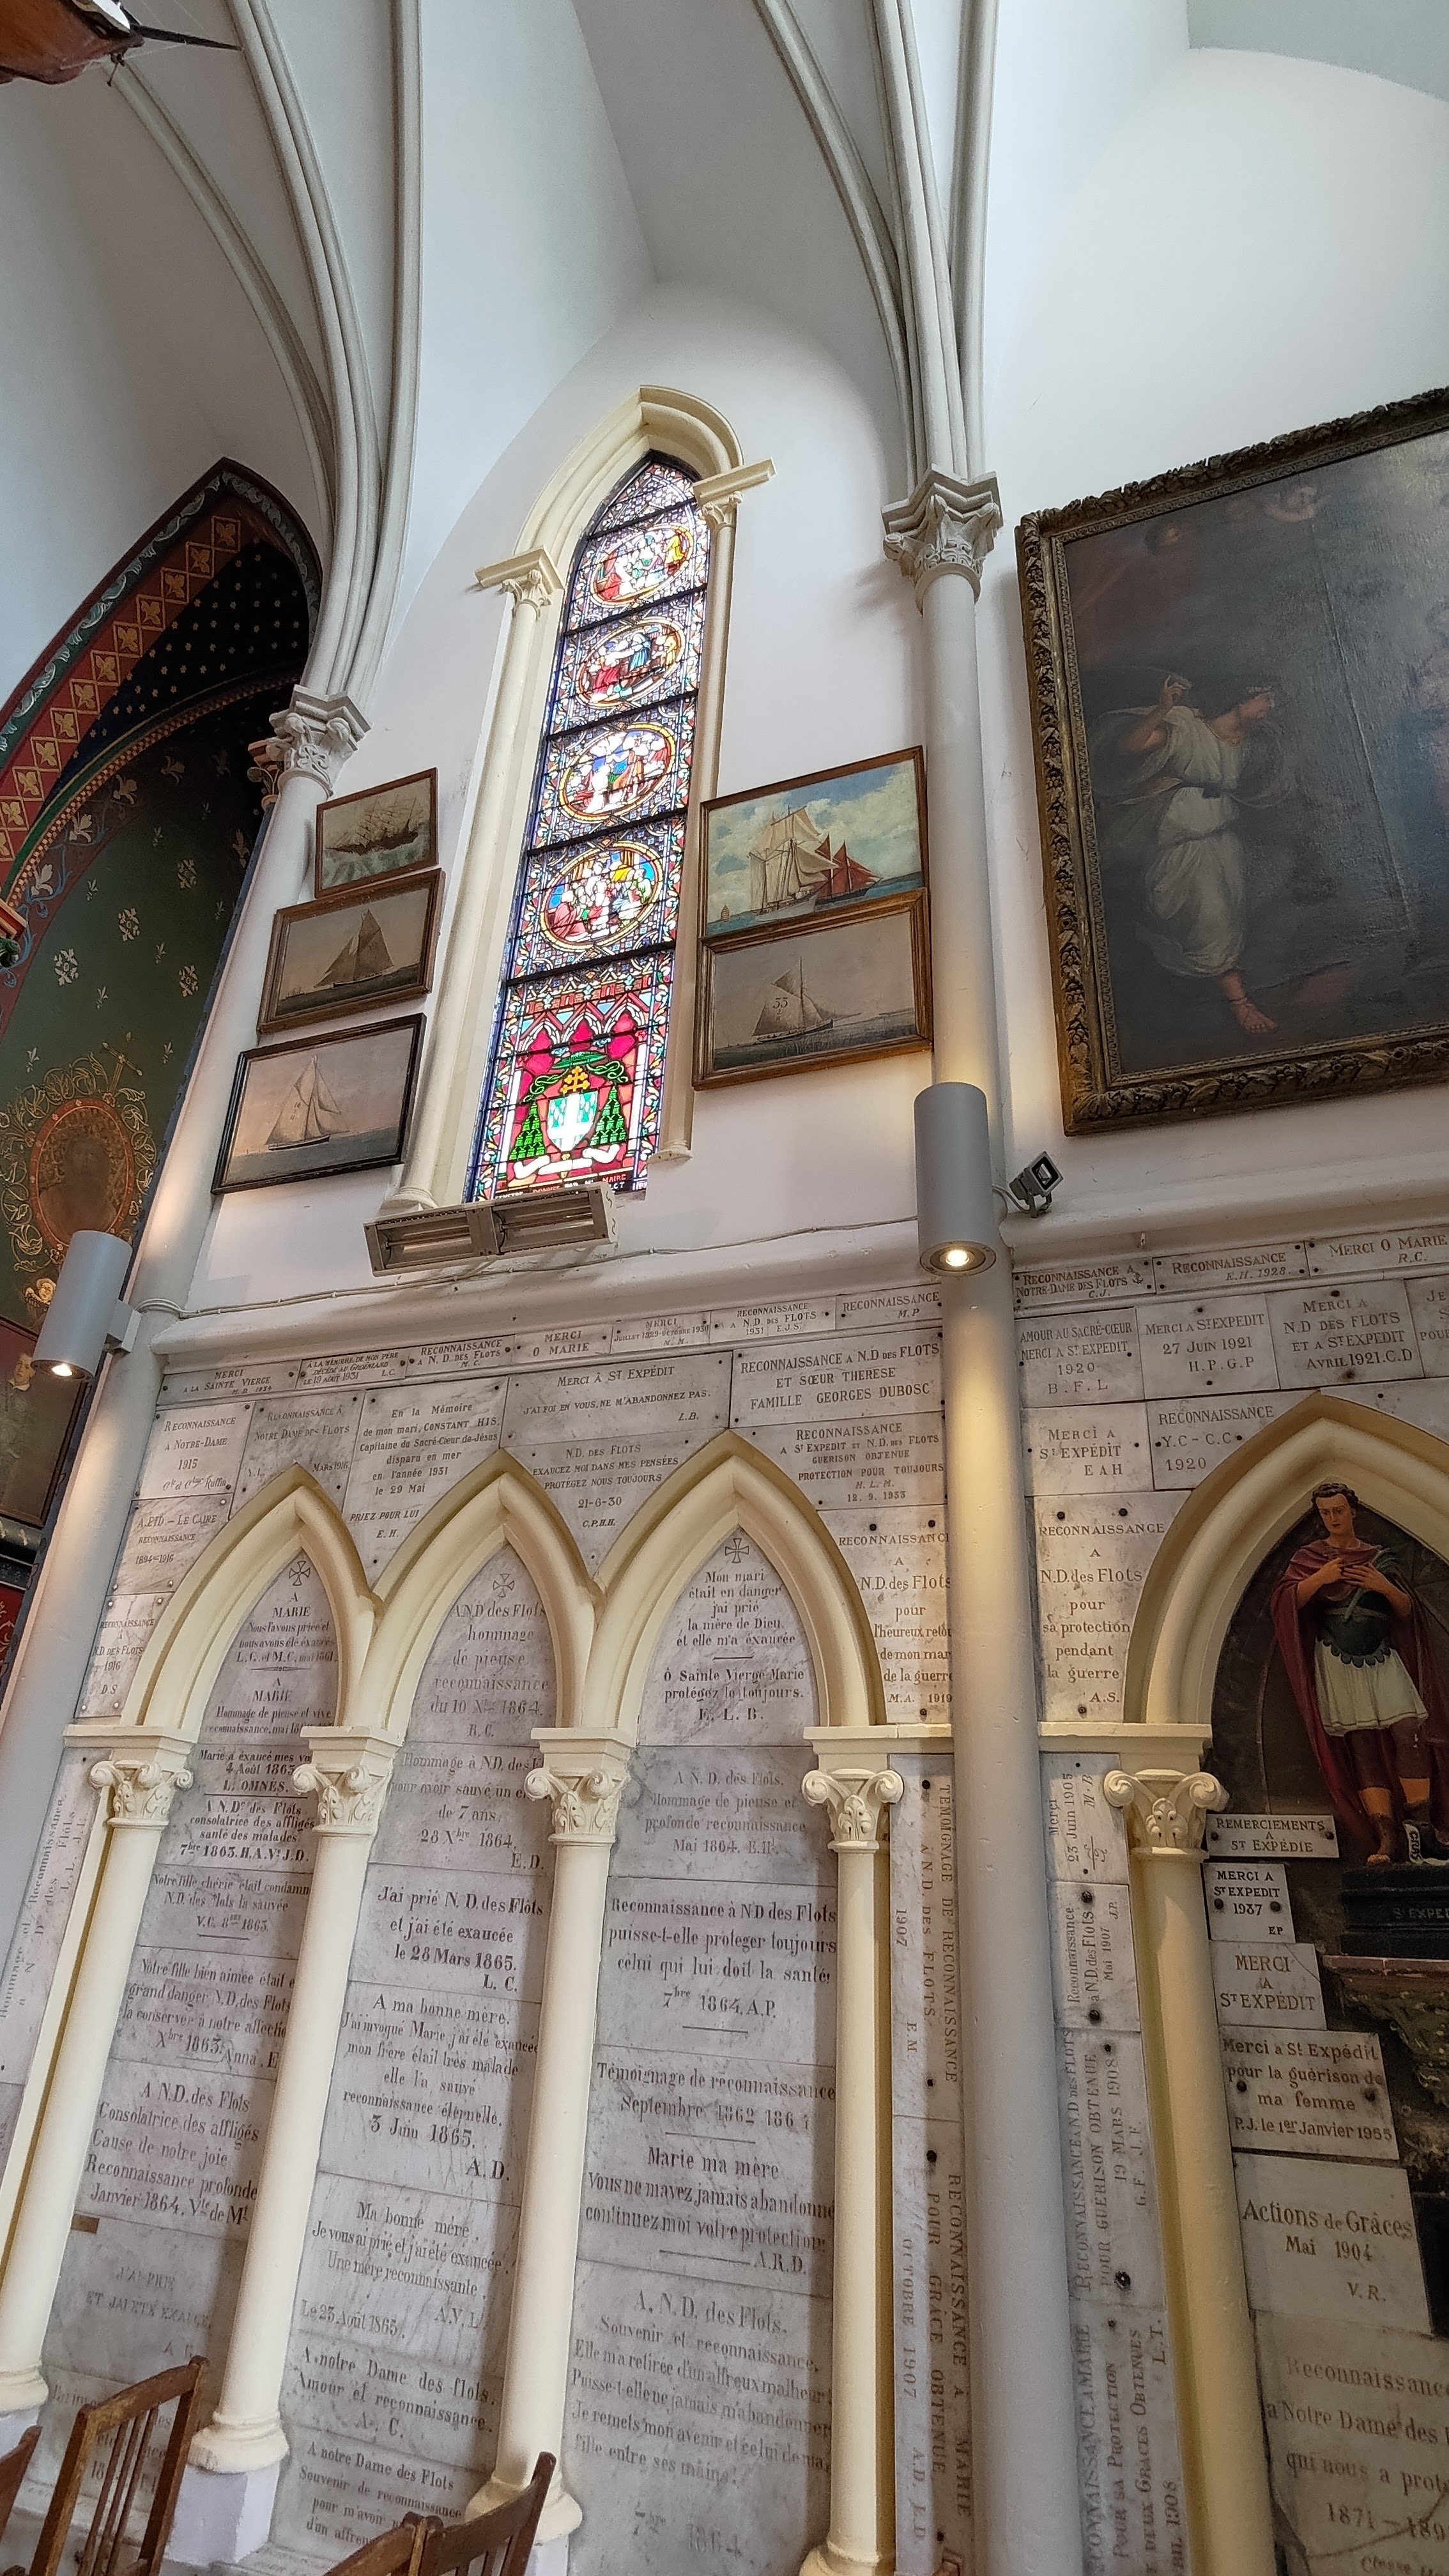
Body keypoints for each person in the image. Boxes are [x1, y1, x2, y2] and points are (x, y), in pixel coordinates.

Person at [1091, 673, 1294, 1036]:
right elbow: (1130, 747)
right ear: (1241, 696)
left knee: (1229, 918)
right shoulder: (1188, 727)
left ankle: (1237, 999)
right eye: (1266, 698)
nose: (1271, 706)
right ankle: (1240, 1004)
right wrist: (1162, 709)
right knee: (1209, 920)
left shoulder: (1249, 742)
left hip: (1221, 838)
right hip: (1181, 839)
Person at [1270, 1481, 1449, 1863]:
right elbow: (1287, 1602)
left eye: (1339, 1510)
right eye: (1325, 1513)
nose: (1333, 1518)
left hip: (1382, 1655)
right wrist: (1320, 1579)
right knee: (1362, 1743)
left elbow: (1406, 1612)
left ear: (1353, 1511)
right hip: (1337, 1657)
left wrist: (1382, 1586)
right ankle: (1386, 1837)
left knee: (1409, 1732)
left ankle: (1422, 1829)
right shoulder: (1311, 1557)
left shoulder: (1377, 1557)